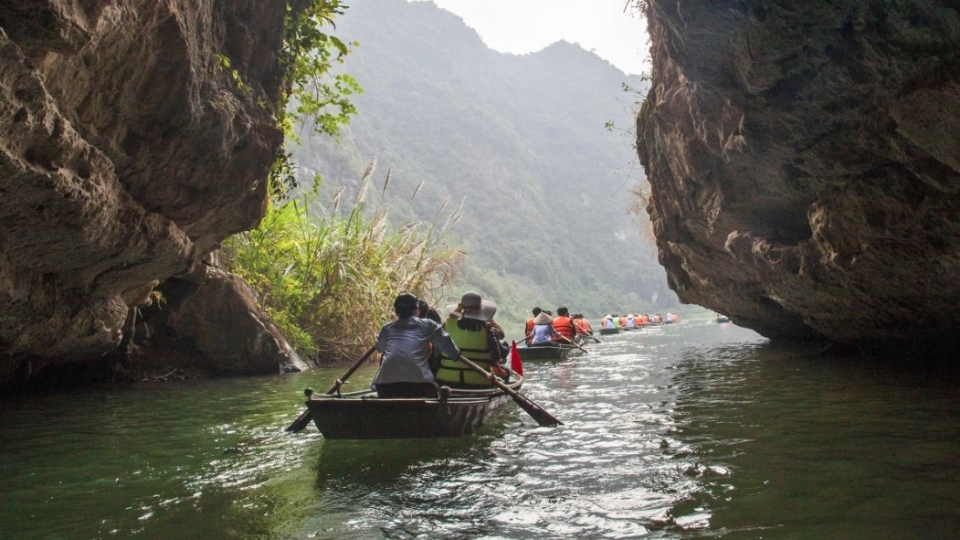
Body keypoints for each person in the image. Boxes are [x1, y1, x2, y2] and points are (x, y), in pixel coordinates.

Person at [370, 293, 461, 398]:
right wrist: (456, 354)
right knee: (437, 389)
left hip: (385, 387)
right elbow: (448, 347)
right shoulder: (429, 325)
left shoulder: (387, 328)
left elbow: (380, 348)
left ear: (396, 312)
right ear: (416, 310)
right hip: (419, 387)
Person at [436, 291, 505, 387]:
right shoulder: (487, 329)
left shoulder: (446, 325)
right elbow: (496, 357)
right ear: (481, 311)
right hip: (479, 382)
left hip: (446, 380)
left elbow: (436, 353)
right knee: (506, 373)